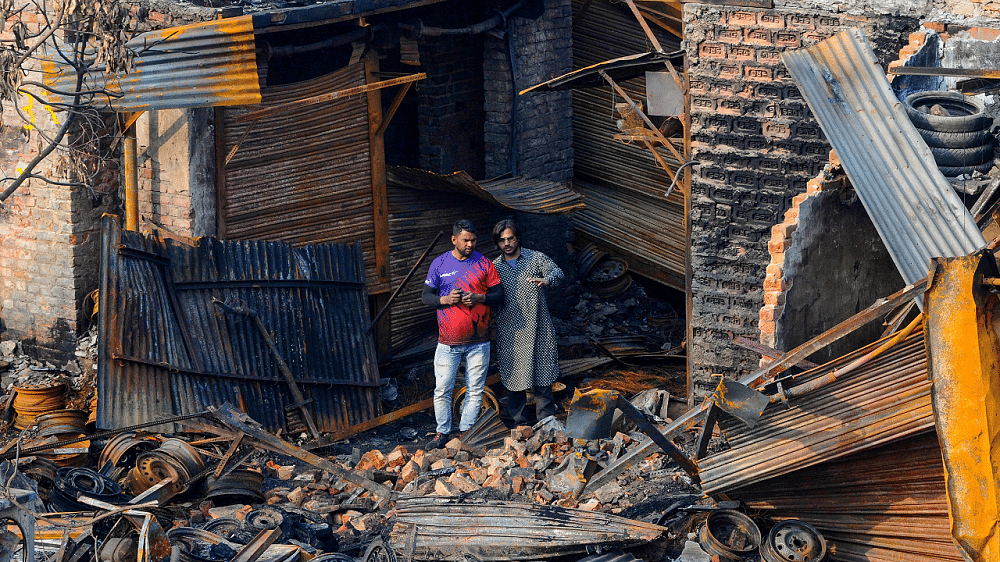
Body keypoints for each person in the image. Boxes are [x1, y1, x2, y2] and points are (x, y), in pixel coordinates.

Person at [422, 219, 504, 449]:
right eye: (466, 240)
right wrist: (445, 300)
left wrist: (479, 298)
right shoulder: (439, 264)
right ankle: (442, 433)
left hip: (479, 340)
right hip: (448, 341)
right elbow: (425, 296)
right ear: (454, 239)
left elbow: (499, 295)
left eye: (473, 240)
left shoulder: (484, 263)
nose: (470, 244)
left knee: (475, 388)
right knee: (443, 388)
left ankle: (466, 432)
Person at [491, 219, 564, 427]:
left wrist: (548, 280)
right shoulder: (494, 267)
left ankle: (546, 422)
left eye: (510, 238)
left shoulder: (535, 258)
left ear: (517, 237)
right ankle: (519, 425)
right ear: (498, 243)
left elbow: (557, 272)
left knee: (543, 376)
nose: (507, 243)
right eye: (502, 240)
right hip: (511, 331)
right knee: (516, 378)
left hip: (539, 327)